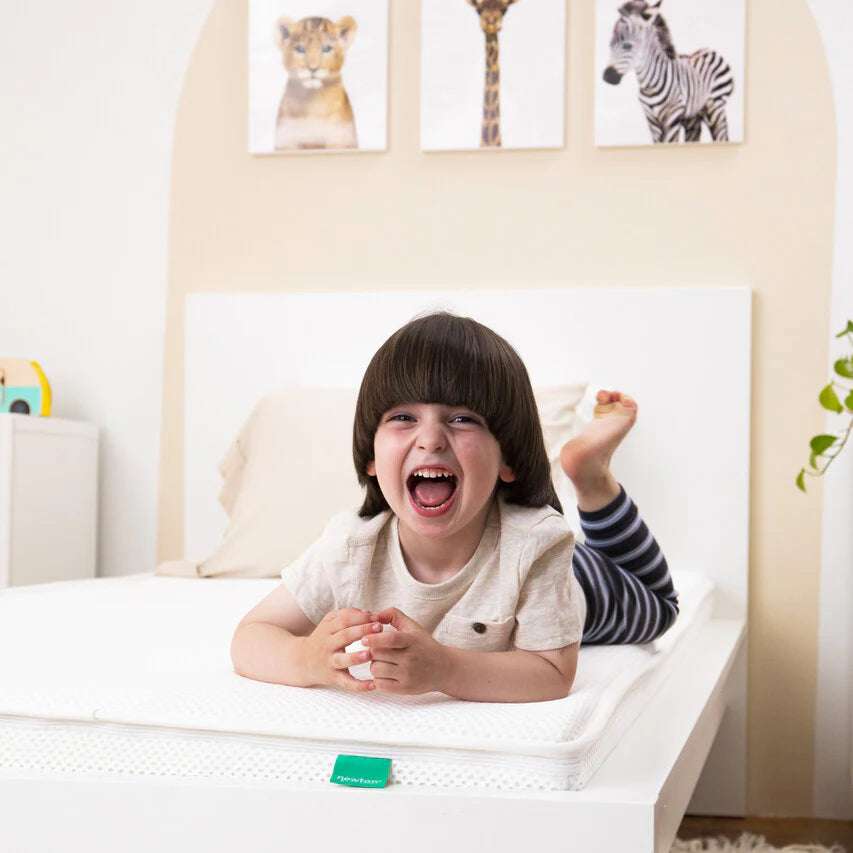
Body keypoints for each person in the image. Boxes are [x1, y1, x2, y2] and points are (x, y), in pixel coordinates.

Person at [231, 312, 678, 703]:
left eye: (463, 419)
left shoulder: (539, 544)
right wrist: (304, 658)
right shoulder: (350, 546)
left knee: (660, 606)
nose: (430, 439)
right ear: (371, 458)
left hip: (583, 583)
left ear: (507, 460)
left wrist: (445, 669)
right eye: (403, 417)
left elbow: (553, 673)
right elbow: (250, 637)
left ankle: (593, 480)